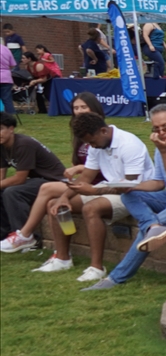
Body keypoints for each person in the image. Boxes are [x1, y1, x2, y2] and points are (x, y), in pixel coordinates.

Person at [81, 105, 166, 291]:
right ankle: (152, 225)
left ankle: (116, 278)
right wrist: (129, 187)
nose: (161, 133)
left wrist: (164, 152)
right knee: (129, 195)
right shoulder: (164, 144)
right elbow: (159, 183)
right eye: (156, 129)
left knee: (146, 235)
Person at [32, 112, 153, 281]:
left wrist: (95, 191)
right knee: (54, 203)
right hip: (111, 186)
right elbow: (86, 177)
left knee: (91, 208)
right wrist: (64, 197)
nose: (91, 146)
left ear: (103, 130)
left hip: (137, 193)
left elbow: (129, 186)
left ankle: (97, 267)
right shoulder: (97, 145)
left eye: (92, 142)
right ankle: (62, 258)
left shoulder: (129, 144)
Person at [1, 94, 105, 253]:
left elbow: (103, 166)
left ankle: (26, 236)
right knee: (52, 203)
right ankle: (11, 236)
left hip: (73, 182)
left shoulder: (102, 134)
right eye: (76, 108)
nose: (79, 111)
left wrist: (78, 170)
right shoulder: (79, 136)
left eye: (83, 107)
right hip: (81, 182)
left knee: (15, 191)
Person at [0, 111, 67, 247]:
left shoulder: (23, 144)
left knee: (12, 192)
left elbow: (19, 179)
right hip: (36, 181)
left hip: (53, 181)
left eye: (0, 129)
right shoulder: (2, 146)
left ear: (11, 129)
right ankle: (5, 234)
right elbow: (1, 175)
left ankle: (26, 237)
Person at [0, 38, 14, 114]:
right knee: (7, 100)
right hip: (6, 77)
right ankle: (10, 118)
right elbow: (12, 64)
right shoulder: (6, 49)